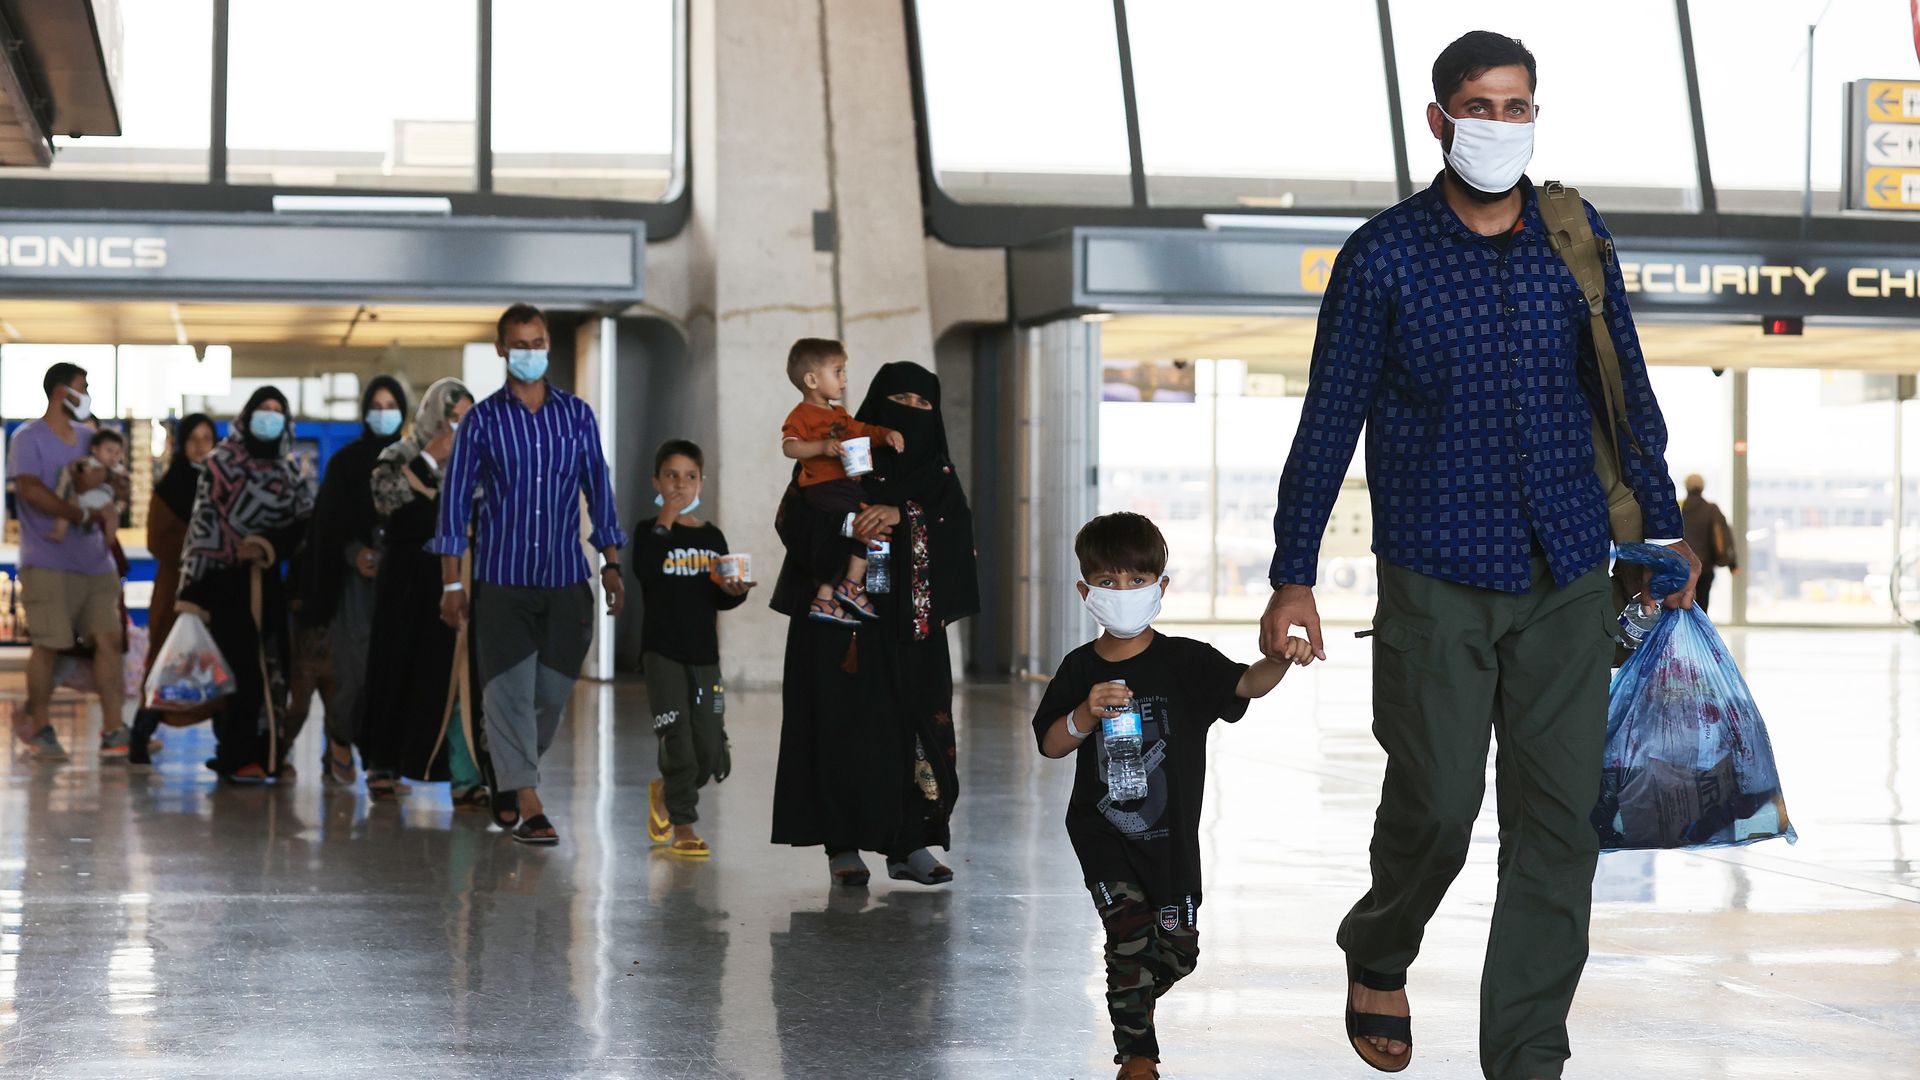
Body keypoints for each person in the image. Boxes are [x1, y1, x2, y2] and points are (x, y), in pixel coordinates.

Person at [1258, 32, 1701, 1080]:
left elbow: (1622, 382)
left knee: (1559, 830)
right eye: (1479, 106)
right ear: (1438, 120)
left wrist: (1661, 530)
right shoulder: (1386, 257)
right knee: (1441, 807)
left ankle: (1528, 1057)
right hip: (1436, 576)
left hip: (1567, 574)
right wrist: (1294, 573)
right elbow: (1330, 420)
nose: (1501, 126)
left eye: (1518, 107)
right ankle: (1380, 945)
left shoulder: (1573, 234)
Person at [1034, 512, 1311, 1080]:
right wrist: (1086, 712)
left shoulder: (1186, 660)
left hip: (1171, 839)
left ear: (1161, 587)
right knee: (1129, 934)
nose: (1123, 593)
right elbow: (1051, 744)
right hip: (1102, 832)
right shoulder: (1079, 668)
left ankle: (1130, 991)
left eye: (1137, 581)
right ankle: (1138, 1056)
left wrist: (1280, 659)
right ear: (1086, 591)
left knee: (1177, 951)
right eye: (1109, 582)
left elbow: (1245, 685)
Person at [770, 360, 980, 887]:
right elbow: (797, 518)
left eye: (921, 405)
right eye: (899, 402)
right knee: (844, 730)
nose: (909, 414)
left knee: (914, 730)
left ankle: (911, 842)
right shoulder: (846, 453)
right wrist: (857, 520)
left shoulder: (939, 475)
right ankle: (842, 843)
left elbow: (956, 538)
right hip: (845, 627)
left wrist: (902, 514)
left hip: (912, 630)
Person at [432, 303, 626, 845]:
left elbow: (599, 491)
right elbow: (453, 508)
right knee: (509, 693)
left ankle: (506, 770)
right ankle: (528, 798)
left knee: (551, 693)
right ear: (501, 350)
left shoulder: (577, 416)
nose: (530, 353)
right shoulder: (482, 421)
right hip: (502, 580)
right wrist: (452, 583)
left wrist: (611, 561)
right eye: (519, 345)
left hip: (566, 578)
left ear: (548, 346)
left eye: (538, 343)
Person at [362, 378, 490, 809]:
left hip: (459, 580)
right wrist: (430, 460)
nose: (458, 429)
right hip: (406, 586)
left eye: (466, 420)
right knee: (397, 671)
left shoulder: (479, 462)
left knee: (456, 677)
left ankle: (463, 775)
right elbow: (386, 500)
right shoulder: (396, 457)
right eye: (451, 419)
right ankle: (384, 764)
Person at [176, 388, 314, 783]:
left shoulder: (289, 472)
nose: (269, 417)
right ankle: (237, 755)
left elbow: (304, 525)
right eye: (262, 410)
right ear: (247, 415)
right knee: (240, 671)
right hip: (224, 584)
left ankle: (270, 753)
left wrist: (267, 546)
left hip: (269, 583)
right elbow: (204, 524)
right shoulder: (220, 464)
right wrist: (195, 587)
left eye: (277, 411)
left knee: (275, 668)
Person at [6, 363, 132, 760]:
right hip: (47, 560)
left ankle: (114, 730)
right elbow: (29, 490)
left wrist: (116, 487)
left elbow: (109, 481)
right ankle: (40, 726)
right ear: (62, 392)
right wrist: (76, 513)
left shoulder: (89, 436)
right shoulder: (28, 438)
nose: (88, 393)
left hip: (96, 563)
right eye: (84, 387)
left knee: (110, 640)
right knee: (50, 644)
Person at [636, 439, 753, 856]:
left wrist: (734, 591)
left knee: (709, 749)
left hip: (704, 656)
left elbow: (721, 596)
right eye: (672, 476)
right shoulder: (649, 533)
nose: (681, 485)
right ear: (657, 481)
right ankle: (684, 825)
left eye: (690, 477)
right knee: (678, 741)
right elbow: (645, 571)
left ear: (702, 482)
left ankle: (665, 791)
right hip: (662, 653)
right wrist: (665, 520)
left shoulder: (713, 537)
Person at [298, 376, 408, 789]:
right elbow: (327, 525)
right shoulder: (347, 464)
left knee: (394, 674)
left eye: (391, 404)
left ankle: (383, 765)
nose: (383, 412)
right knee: (354, 672)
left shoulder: (411, 461)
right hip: (355, 588)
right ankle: (341, 737)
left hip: (401, 586)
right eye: (376, 405)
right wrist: (353, 553)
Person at [778, 337, 904, 625]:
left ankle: (827, 596)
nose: (844, 379)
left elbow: (864, 430)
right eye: (838, 371)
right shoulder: (801, 415)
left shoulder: (840, 415)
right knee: (866, 525)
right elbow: (790, 446)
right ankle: (850, 585)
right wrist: (821, 448)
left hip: (847, 486)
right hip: (824, 488)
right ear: (811, 379)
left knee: (868, 529)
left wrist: (885, 435)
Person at [127, 414, 218, 767]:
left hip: (213, 590)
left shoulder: (221, 484)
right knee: (165, 664)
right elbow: (157, 540)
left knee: (216, 664)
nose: (200, 446)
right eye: (193, 438)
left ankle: (228, 748)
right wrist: (198, 545)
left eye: (206, 438)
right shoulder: (170, 487)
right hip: (175, 591)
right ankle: (141, 735)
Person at [47, 428, 129, 542]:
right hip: (82, 496)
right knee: (66, 509)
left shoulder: (116, 468)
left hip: (103, 500)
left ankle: (110, 538)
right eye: (109, 451)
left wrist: (122, 480)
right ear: (95, 450)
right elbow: (74, 468)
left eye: (116, 453)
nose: (113, 456)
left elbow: (124, 481)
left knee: (111, 515)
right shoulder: (88, 461)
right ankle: (59, 532)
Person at [1681, 475, 1738, 614]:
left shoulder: (1678, 508)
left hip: (1681, 566)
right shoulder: (1711, 510)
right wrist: (1732, 564)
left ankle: (1681, 634)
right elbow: (1724, 537)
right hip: (1704, 567)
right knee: (1702, 605)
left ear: (1686, 487)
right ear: (1702, 487)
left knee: (1681, 605)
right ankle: (1699, 633)